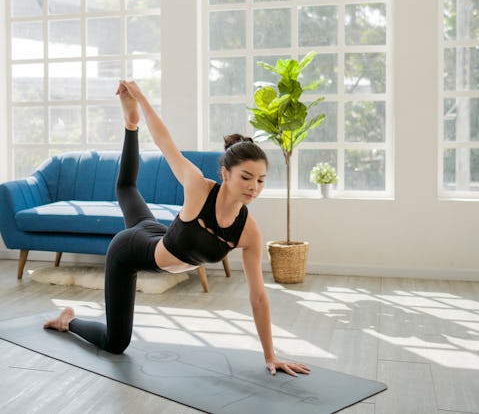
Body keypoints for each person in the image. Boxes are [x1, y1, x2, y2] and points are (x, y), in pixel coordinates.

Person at [43, 80, 310, 377]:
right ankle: (67, 320)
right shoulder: (198, 188)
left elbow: (258, 296)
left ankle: (129, 125)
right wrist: (140, 98)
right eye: (246, 177)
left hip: (154, 233)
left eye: (260, 180)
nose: (253, 187)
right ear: (225, 173)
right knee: (115, 343)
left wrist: (271, 356)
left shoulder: (249, 232)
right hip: (130, 251)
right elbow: (164, 141)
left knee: (127, 188)